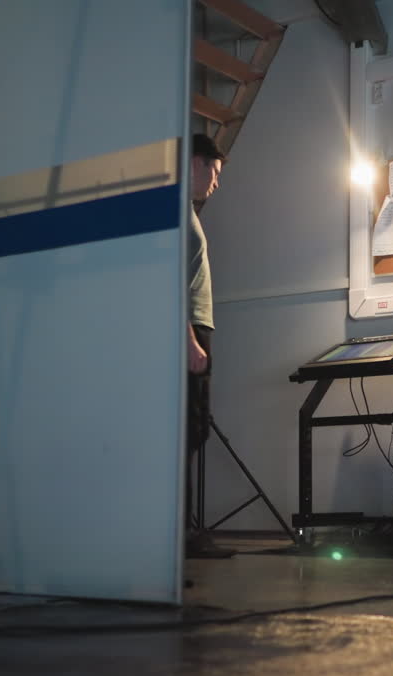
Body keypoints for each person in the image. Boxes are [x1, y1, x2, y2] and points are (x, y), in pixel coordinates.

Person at [185, 133, 232, 558]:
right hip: (192, 331)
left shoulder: (188, 214)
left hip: (199, 329)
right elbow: (168, 284)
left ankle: (185, 532)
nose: (215, 184)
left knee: (194, 430)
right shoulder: (178, 215)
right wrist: (189, 343)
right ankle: (181, 534)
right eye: (214, 173)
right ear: (197, 163)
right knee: (188, 430)